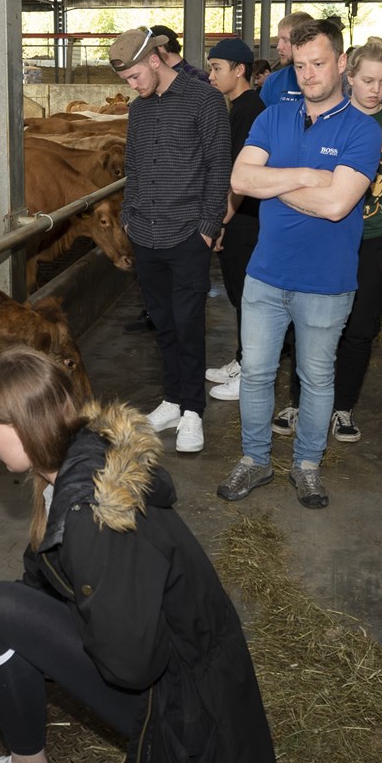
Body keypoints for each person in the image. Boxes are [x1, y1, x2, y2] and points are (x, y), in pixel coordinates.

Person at [0, 348, 287, 763]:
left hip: (186, 720)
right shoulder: (85, 463)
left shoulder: (93, 517)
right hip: (192, 683)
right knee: (5, 612)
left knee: (0, 610)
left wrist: (58, 630)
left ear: (29, 426)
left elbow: (130, 666)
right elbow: (36, 587)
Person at [216, 18, 380, 510]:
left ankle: (306, 465)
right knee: (259, 373)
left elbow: (337, 206)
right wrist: (310, 175)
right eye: (301, 64)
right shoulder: (271, 115)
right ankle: (255, 459)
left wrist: (276, 181)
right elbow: (242, 181)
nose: (308, 74)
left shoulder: (362, 129)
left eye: (319, 63)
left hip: (326, 283)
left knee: (316, 378)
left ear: (342, 64)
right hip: (265, 274)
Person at [276, 41, 382, 447]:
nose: (376, 89)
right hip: (324, 239)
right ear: (348, 76)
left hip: (375, 241)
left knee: (360, 330)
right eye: (367, 80)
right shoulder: (325, 120)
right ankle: (299, 402)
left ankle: (343, 405)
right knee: (309, 323)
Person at [110, 25, 232, 454]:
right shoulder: (139, 109)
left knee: (188, 321)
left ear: (155, 60)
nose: (133, 86)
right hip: (144, 231)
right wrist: (127, 215)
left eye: (135, 77)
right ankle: (173, 399)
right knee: (162, 322)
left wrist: (208, 224)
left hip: (187, 233)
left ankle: (194, 410)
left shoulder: (206, 100)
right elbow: (134, 164)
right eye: (127, 81)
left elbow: (219, 166)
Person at [203, 37, 265, 402]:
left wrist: (222, 221)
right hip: (238, 214)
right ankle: (243, 359)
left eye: (217, 68)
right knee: (238, 294)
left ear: (239, 70)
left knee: (247, 297)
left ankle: (252, 373)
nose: (211, 75)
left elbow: (243, 175)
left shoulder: (250, 110)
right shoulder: (238, 106)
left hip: (245, 217)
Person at [259, 10, 317, 110]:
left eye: (285, 40)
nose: (279, 47)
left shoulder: (324, 79)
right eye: (279, 40)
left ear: (305, 41)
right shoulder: (272, 82)